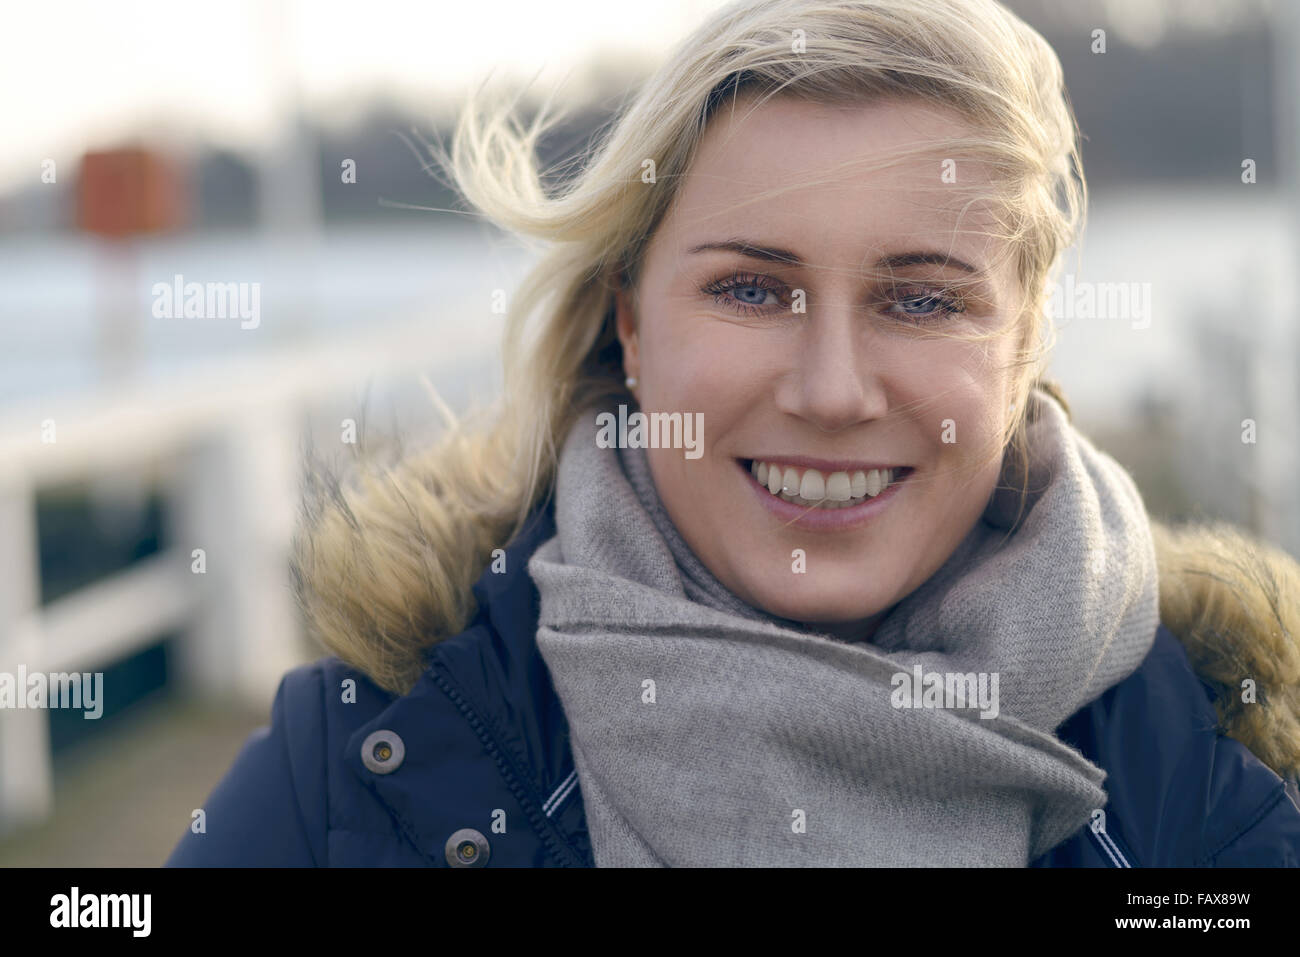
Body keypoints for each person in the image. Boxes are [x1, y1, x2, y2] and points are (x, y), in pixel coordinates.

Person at [166, 0, 1300, 867]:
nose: (831, 390)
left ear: (1022, 351)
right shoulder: (359, 772)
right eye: (753, 291)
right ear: (631, 324)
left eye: (920, 300)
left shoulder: (1223, 788)